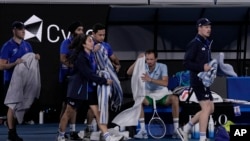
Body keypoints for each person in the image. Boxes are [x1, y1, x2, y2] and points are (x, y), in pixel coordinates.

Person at [57, 34, 123, 141]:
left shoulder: (92, 54)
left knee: (97, 113)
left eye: (92, 41)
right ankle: (60, 135)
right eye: (90, 41)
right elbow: (88, 74)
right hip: (78, 89)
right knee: (68, 112)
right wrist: (104, 80)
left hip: (90, 89)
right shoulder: (80, 58)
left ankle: (107, 137)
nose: (93, 42)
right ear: (84, 44)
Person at [0, 21, 40, 141]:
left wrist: (36, 57)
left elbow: (29, 62)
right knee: (12, 107)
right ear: (14, 30)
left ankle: (11, 126)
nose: (23, 31)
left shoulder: (27, 45)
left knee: (21, 106)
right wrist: (14, 63)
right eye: (20, 29)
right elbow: (1, 66)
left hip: (25, 81)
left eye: (24, 29)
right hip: (11, 80)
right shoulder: (7, 46)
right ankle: (11, 133)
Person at [127, 49, 180, 139]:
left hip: (162, 95)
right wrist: (137, 60)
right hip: (148, 96)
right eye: (147, 59)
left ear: (156, 59)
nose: (149, 61)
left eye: (151, 59)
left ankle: (176, 130)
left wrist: (150, 79)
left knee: (175, 99)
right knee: (138, 99)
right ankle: (142, 131)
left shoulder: (163, 66)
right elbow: (129, 72)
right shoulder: (143, 66)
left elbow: (165, 83)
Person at [176, 18, 214, 141]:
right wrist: (202, 67)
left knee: (211, 108)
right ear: (199, 28)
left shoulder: (206, 42)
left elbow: (207, 62)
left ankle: (186, 128)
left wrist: (211, 68)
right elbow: (186, 63)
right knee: (206, 108)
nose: (209, 29)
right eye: (206, 27)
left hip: (205, 80)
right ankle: (203, 138)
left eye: (209, 27)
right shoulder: (194, 43)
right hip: (198, 80)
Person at [58, 21, 85, 139]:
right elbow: (63, 59)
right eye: (79, 30)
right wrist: (74, 66)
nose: (82, 32)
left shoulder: (82, 44)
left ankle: (73, 131)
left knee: (74, 106)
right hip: (66, 77)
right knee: (66, 106)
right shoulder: (66, 42)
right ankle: (61, 132)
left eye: (82, 30)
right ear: (73, 31)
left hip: (77, 79)